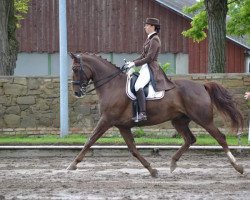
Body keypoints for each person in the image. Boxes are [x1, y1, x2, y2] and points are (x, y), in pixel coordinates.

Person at [126, 17, 175, 122]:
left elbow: (149, 58)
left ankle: (143, 113)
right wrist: (131, 63)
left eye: (147, 25)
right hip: (145, 66)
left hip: (151, 67)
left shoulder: (155, 39)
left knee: (138, 85)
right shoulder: (149, 39)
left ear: (153, 27)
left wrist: (135, 63)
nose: (145, 27)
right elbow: (143, 55)